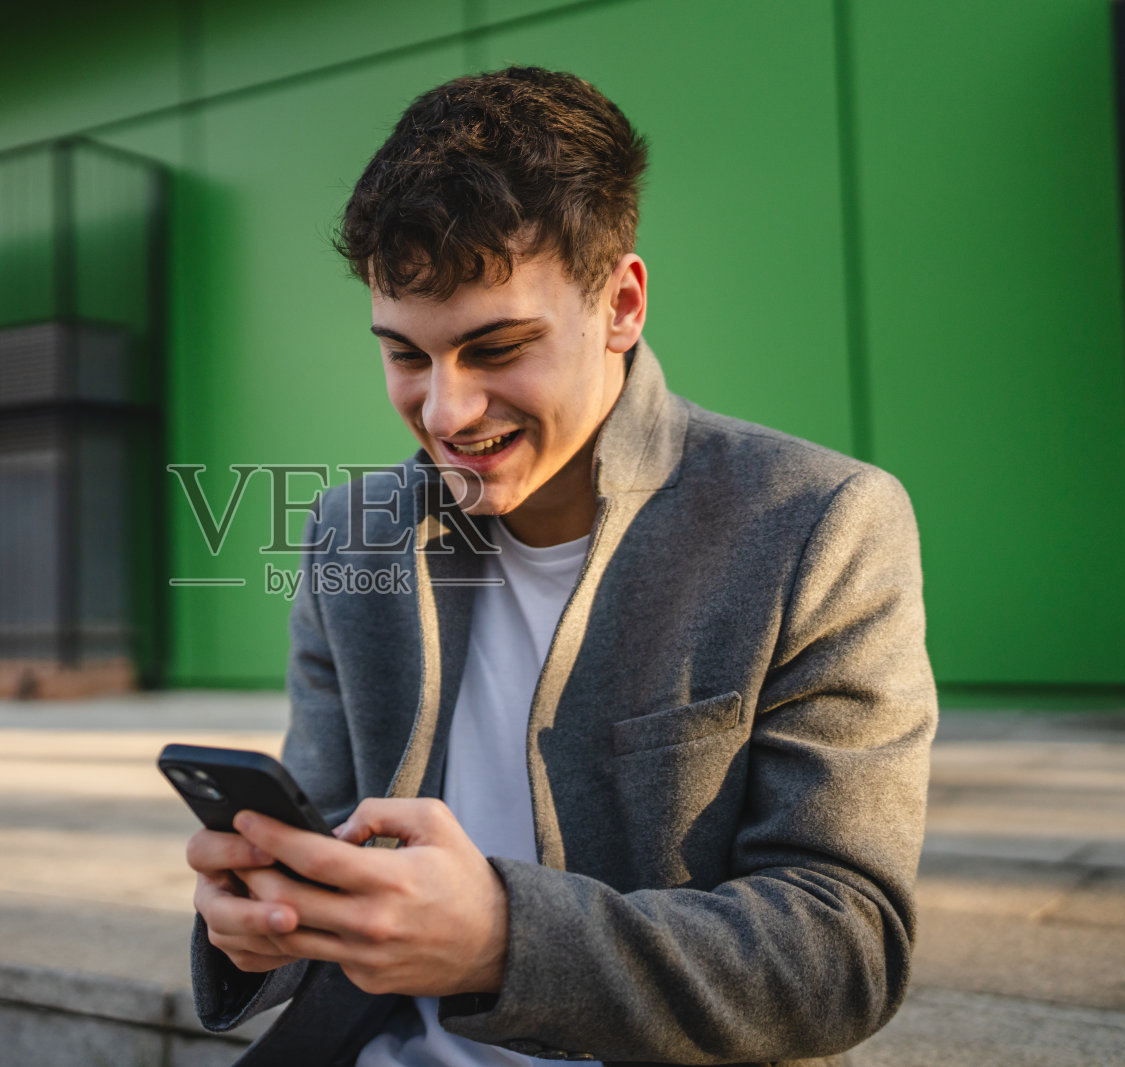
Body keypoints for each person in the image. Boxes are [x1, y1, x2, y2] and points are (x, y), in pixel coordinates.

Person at [184, 66, 937, 1067]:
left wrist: (503, 936)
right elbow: (323, 833)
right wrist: (260, 918)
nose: (444, 414)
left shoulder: (817, 524)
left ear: (620, 303)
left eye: (496, 347)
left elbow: (844, 948)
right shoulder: (348, 534)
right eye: (406, 355)